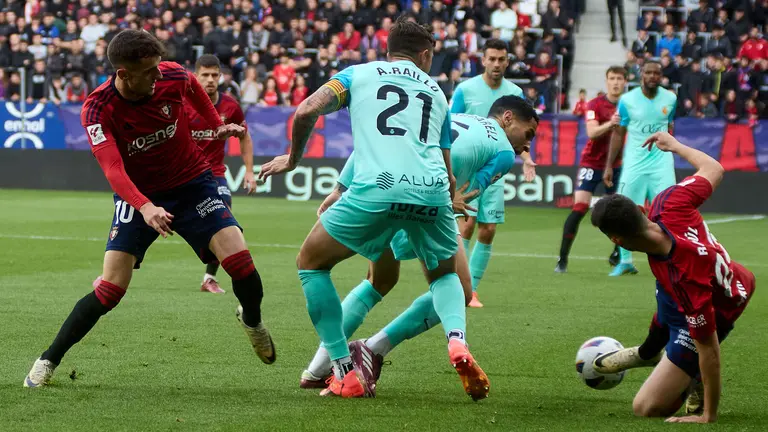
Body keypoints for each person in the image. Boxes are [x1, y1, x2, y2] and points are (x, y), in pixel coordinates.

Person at [23, 30, 275, 388]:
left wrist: (216, 126)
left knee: (241, 263)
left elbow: (192, 85)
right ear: (124, 74)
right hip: (139, 194)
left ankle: (251, 320)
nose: (159, 74)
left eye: (159, 66)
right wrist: (144, 206)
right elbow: (113, 170)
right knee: (110, 289)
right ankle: (48, 359)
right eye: (150, 70)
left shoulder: (171, 74)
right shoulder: (97, 109)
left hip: (192, 182)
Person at [258, 17, 483, 399]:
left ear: (388, 49)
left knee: (311, 263)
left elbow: (306, 110)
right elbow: (445, 166)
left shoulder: (357, 74)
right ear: (425, 55)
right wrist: (446, 201)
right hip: (431, 192)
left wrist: (293, 159)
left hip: (377, 190)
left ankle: (343, 369)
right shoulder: (436, 91)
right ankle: (457, 341)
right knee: (446, 275)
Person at [300, 97, 538, 391]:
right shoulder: (503, 151)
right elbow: (469, 192)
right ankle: (383, 347)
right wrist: (451, 200)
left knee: (378, 279)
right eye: (528, 134)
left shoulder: (449, 116)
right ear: (507, 118)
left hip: (383, 187)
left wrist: (340, 188)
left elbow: (377, 141)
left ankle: (318, 368)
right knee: (456, 285)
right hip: (431, 196)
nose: (527, 145)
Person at [590, 132, 755, 424]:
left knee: (646, 407)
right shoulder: (669, 201)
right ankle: (648, 353)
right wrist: (676, 145)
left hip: (723, 302)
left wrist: (708, 415)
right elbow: (714, 169)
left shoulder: (684, 280)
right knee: (664, 299)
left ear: (616, 240)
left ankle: (692, 377)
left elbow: (709, 349)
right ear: (642, 209)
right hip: (720, 274)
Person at [449, 38, 536, 308]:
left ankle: (471, 290)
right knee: (466, 223)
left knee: (488, 229)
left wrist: (527, 158)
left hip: (495, 165)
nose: (496, 64)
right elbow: (450, 124)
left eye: (501, 59)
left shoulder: (515, 93)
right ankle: (457, 285)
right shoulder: (465, 89)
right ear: (483, 60)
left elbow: (520, 133)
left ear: (507, 62)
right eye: (492, 59)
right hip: (468, 165)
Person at [189, 54, 257, 294]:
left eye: (214, 75)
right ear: (195, 76)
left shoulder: (230, 106)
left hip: (213, 173)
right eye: (205, 75)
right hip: (182, 173)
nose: (210, 80)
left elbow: (244, 136)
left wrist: (249, 171)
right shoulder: (183, 103)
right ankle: (116, 269)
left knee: (224, 215)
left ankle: (209, 278)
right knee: (152, 222)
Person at [604, 61, 677, 276]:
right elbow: (619, 133)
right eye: (648, 72)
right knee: (626, 211)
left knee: (669, 211)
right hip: (634, 164)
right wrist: (609, 165)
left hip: (661, 164)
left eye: (657, 73)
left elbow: (669, 127)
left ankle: (673, 259)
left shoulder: (670, 98)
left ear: (661, 76)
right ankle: (625, 261)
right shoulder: (627, 100)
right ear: (641, 74)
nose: (653, 76)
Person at [555, 66, 626, 273]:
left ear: (625, 82)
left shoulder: (629, 105)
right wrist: (611, 124)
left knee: (619, 212)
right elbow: (592, 132)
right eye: (612, 78)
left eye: (619, 78)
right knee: (579, 208)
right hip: (592, 163)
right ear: (606, 81)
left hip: (617, 165)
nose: (615, 82)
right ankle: (562, 259)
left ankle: (618, 255)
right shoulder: (595, 104)